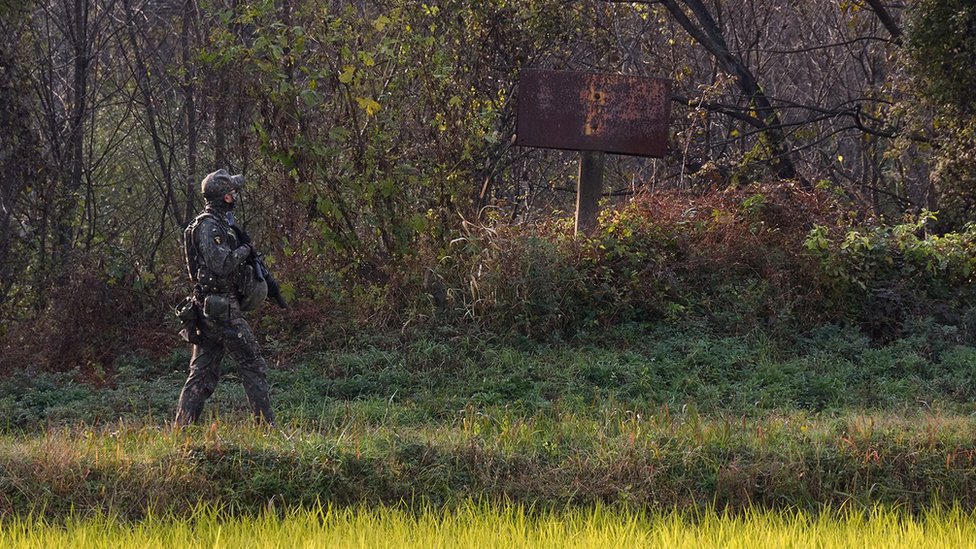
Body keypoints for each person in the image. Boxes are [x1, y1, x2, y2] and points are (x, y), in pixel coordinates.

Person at [174, 169, 275, 427]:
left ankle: (182, 431)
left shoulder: (213, 224)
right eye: (233, 191)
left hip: (210, 307)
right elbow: (221, 264)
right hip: (221, 308)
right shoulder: (209, 226)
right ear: (227, 198)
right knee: (252, 363)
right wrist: (245, 250)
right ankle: (267, 428)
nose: (236, 195)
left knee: (202, 374)